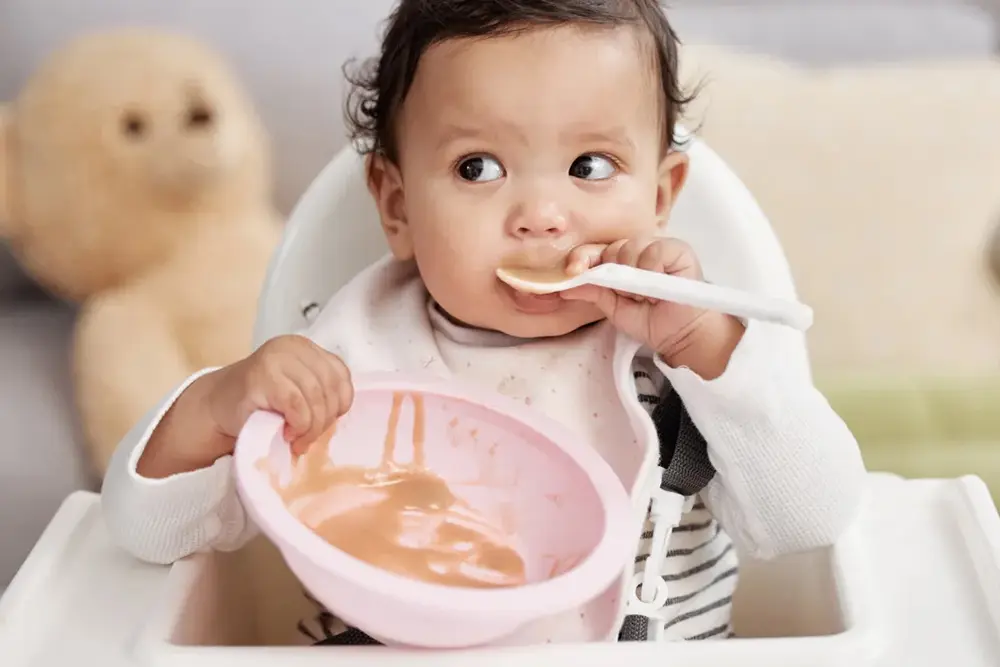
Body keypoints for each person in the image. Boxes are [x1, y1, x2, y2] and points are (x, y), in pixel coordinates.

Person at [101, 0, 867, 646]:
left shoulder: (684, 351)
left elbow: (811, 519)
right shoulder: (351, 356)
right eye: (478, 168)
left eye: (590, 166)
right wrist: (214, 406)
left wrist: (703, 346)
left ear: (661, 195)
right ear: (397, 206)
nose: (541, 215)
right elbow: (150, 532)